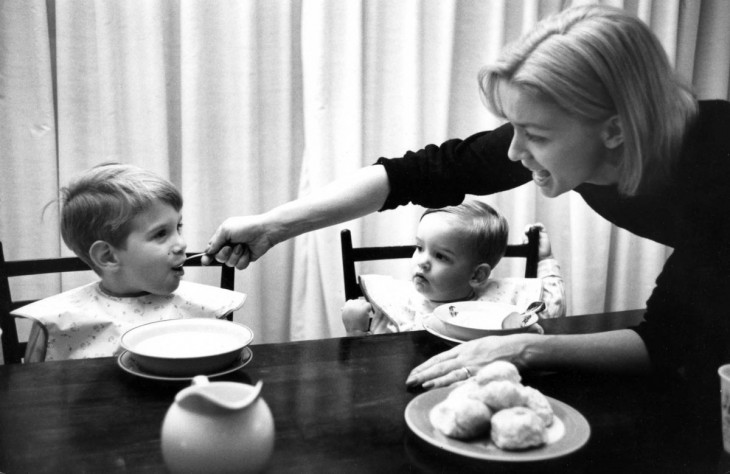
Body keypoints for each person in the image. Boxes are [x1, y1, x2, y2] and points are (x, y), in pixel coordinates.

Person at [203, 5, 729, 429]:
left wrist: (525, 347)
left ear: (615, 130)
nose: (515, 152)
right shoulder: (599, 139)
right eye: (513, 128)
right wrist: (273, 225)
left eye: (538, 136)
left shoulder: (717, 169)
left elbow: (664, 345)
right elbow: (417, 174)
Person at [13, 163, 246, 362]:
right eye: (160, 234)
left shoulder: (207, 309)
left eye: (178, 227)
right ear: (108, 256)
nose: (181, 244)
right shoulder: (55, 324)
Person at [341, 200, 565, 336]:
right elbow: (373, 364)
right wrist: (356, 329)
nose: (422, 261)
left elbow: (552, 309)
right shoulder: (397, 305)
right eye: (419, 247)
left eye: (440, 256)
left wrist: (545, 259)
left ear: (477, 275)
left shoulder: (498, 303)